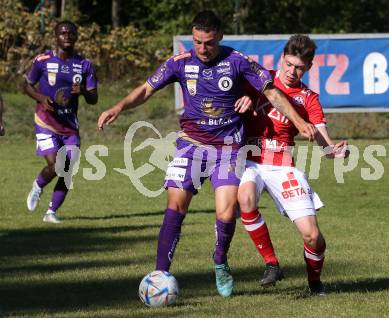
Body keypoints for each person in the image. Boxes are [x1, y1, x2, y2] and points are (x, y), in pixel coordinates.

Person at [97, 11, 316, 298]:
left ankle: (220, 262)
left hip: (227, 149)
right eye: (197, 41)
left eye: (208, 42)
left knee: (225, 212)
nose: (202, 48)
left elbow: (272, 92)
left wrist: (299, 122)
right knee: (175, 207)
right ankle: (161, 272)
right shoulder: (180, 63)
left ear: (220, 38)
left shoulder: (236, 61)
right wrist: (118, 107)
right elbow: (147, 89)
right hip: (190, 145)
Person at [238, 35, 349, 295]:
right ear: (281, 60)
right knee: (245, 199)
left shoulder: (308, 98)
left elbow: (322, 137)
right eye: (288, 64)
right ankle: (272, 264)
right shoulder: (259, 80)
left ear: (309, 67)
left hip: (282, 164)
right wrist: (240, 101)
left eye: (299, 67)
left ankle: (314, 282)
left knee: (312, 236)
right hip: (249, 160)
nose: (291, 71)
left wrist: (333, 151)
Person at [24, 20, 98, 223]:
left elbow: (94, 99)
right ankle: (38, 186)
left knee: (68, 168)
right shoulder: (43, 60)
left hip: (70, 126)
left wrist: (83, 91)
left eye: (70, 33)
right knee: (57, 165)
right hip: (46, 121)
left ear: (76, 36)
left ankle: (51, 212)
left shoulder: (84, 65)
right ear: (56, 36)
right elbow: (27, 86)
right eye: (63, 33)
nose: (67, 36)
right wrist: (41, 99)